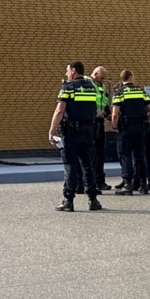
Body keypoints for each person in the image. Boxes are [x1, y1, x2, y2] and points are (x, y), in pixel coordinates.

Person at [49, 61, 103, 212]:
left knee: (70, 165)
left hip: (71, 133)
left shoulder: (68, 87)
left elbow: (60, 111)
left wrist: (52, 130)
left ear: (73, 71)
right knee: (88, 165)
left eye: (67, 71)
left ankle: (68, 200)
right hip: (88, 132)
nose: (66, 74)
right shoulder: (92, 88)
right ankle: (93, 200)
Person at [112, 70, 150, 195]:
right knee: (140, 156)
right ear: (131, 77)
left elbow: (114, 114)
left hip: (125, 128)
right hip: (140, 128)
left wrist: (115, 126)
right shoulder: (141, 92)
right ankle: (143, 185)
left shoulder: (119, 92)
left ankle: (127, 185)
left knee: (125, 155)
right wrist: (146, 122)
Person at [86, 66, 111, 191]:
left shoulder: (101, 87)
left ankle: (100, 180)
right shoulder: (88, 84)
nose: (102, 80)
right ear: (95, 74)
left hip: (99, 123)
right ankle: (93, 181)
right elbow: (85, 104)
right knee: (93, 154)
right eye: (100, 78)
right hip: (91, 123)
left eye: (103, 78)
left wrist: (108, 114)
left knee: (100, 153)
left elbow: (104, 103)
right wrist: (95, 114)